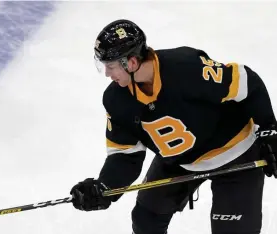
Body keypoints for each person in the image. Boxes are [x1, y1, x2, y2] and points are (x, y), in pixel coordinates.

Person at [70, 19, 277, 234]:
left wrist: (270, 131)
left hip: (236, 155)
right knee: (146, 220)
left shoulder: (186, 67)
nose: (107, 74)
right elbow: (125, 154)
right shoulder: (116, 99)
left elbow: (247, 83)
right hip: (178, 160)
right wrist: (105, 188)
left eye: (111, 66)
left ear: (131, 63)